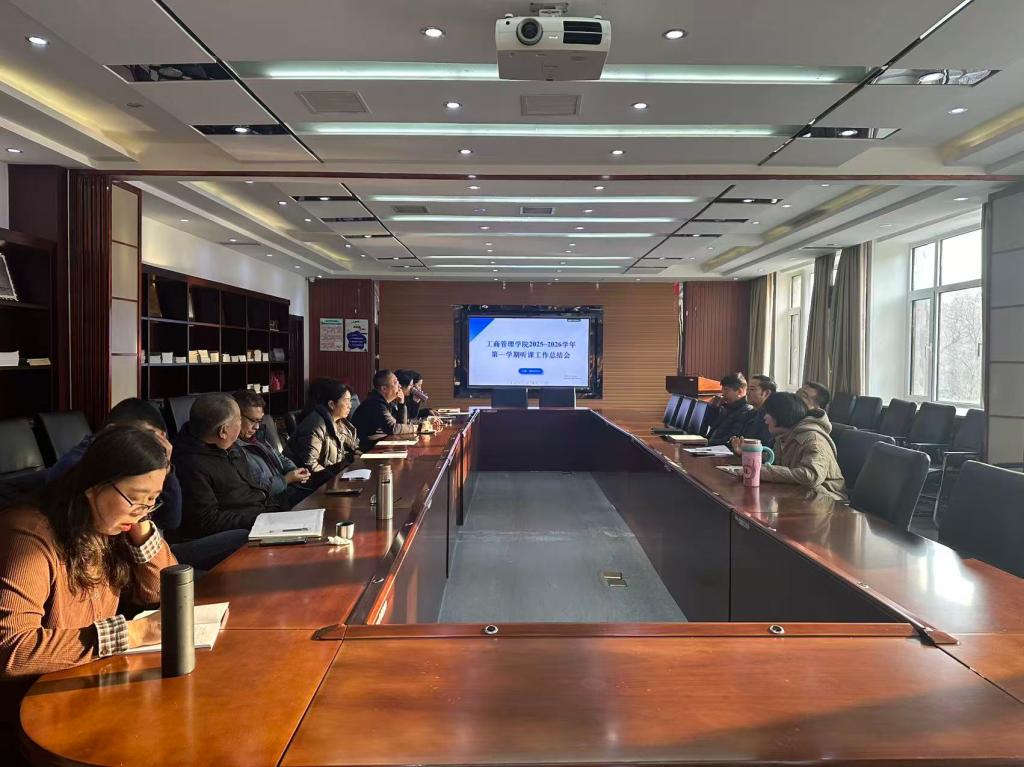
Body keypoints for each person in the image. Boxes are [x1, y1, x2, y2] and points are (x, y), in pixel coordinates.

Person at [0, 426, 176, 746]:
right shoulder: (30, 535)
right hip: (35, 713)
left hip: (92, 686)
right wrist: (132, 634)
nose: (142, 510)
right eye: (135, 498)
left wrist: (141, 527)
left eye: (152, 500)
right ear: (94, 485)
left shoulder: (111, 525)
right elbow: (12, 649)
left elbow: (163, 593)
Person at [47, 398, 247, 572]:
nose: (147, 448)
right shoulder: (81, 467)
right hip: (118, 558)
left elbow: (171, 520)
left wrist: (166, 469)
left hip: (151, 550)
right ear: (112, 431)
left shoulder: (145, 469)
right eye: (143, 438)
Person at [173, 393, 280, 539]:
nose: (241, 425)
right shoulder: (189, 464)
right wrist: (260, 519)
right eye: (239, 420)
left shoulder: (230, 447)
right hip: (242, 532)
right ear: (223, 431)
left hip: (265, 515)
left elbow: (254, 487)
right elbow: (207, 521)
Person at [758, 392, 847, 501]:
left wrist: (761, 472)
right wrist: (748, 456)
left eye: (768, 413)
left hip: (827, 500)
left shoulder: (813, 439)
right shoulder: (783, 437)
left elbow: (811, 476)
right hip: (799, 495)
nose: (764, 418)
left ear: (781, 414)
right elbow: (775, 464)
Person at [233, 390, 311, 506]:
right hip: (272, 503)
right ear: (236, 417)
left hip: (288, 492)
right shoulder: (233, 449)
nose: (256, 427)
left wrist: (294, 471)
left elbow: (280, 457)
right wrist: (286, 479)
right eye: (253, 421)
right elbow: (257, 487)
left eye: (259, 421)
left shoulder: (257, 437)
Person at [285, 378, 359, 487]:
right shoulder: (315, 426)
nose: (350, 405)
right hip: (311, 485)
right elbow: (310, 465)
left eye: (350, 401)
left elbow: (348, 449)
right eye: (346, 401)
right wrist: (336, 479)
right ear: (331, 404)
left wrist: (353, 457)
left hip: (331, 478)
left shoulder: (341, 422)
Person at [350, 369, 421, 450]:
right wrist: (414, 428)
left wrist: (401, 404)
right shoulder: (375, 403)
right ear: (384, 388)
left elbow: (400, 426)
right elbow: (393, 428)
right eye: (395, 383)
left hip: (377, 444)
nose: (399, 386)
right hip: (367, 449)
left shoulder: (386, 402)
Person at [729, 374, 777, 454]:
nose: (747, 393)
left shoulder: (771, 418)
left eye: (752, 389)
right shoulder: (750, 414)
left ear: (766, 393)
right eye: (747, 389)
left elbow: (765, 449)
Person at [706, 373, 754, 447]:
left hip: (721, 449)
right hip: (711, 446)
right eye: (722, 390)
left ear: (739, 391)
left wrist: (708, 443)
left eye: (726, 390)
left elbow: (731, 438)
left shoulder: (746, 411)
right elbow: (712, 426)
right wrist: (713, 408)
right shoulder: (727, 407)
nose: (723, 394)